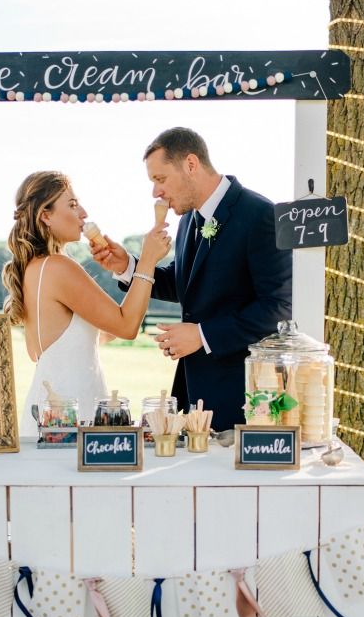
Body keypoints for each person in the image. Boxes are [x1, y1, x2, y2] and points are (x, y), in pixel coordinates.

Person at [90, 127, 293, 430]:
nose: (155, 192)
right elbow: (184, 282)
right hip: (194, 394)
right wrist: (129, 266)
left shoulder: (261, 215)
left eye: (160, 179)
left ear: (191, 164)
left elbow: (280, 307)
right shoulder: (188, 220)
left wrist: (202, 335)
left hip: (244, 397)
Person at [2, 171, 171, 436]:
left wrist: (121, 266)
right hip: (69, 416)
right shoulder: (59, 267)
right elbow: (128, 327)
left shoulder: (36, 268)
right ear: (45, 215)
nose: (83, 212)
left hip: (52, 411)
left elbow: (107, 331)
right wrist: (148, 259)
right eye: (71, 204)